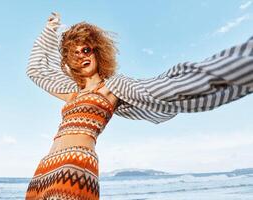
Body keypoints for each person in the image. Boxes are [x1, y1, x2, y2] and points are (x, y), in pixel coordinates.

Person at [25, 12, 253, 200]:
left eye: (86, 50)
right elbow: (36, 70)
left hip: (74, 163)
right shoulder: (73, 91)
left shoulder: (112, 87)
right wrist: (49, 30)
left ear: (97, 52)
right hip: (45, 166)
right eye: (74, 53)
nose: (81, 56)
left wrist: (239, 67)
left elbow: (163, 88)